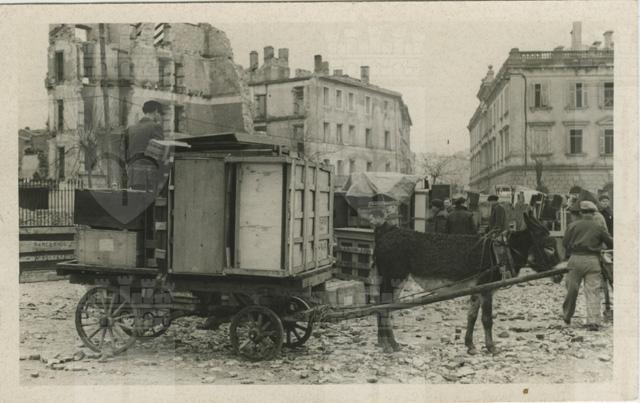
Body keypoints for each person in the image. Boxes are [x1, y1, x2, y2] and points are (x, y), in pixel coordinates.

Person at [562, 201, 613, 331]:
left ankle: (567, 316)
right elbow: (610, 243)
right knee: (593, 291)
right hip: (592, 261)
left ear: (580, 212)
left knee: (572, 290)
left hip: (575, 260)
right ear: (594, 213)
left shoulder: (572, 225)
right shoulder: (599, 227)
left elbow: (565, 243)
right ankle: (593, 321)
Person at [125, 100, 165, 190]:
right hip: (149, 176)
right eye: (160, 114)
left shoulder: (131, 129)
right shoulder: (155, 127)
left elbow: (125, 153)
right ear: (156, 111)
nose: (160, 117)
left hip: (132, 175)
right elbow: (159, 153)